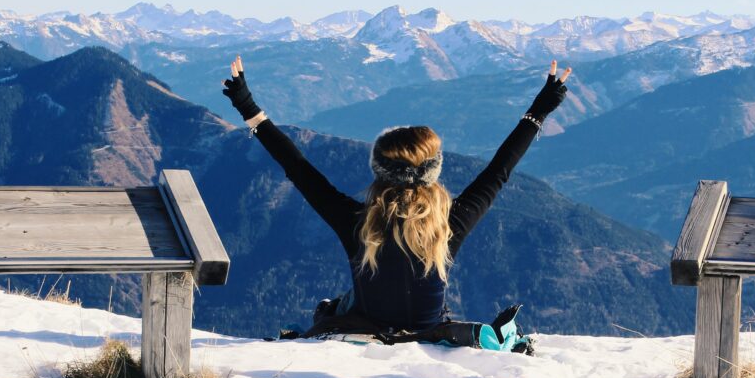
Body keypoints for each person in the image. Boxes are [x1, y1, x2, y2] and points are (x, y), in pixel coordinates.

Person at [221, 55, 571, 351]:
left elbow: (298, 168)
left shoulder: (357, 222)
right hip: (429, 331)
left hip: (366, 325)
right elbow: (500, 170)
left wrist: (247, 106)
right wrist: (541, 108)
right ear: (432, 171)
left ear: (380, 170)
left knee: (336, 304)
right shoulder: (449, 226)